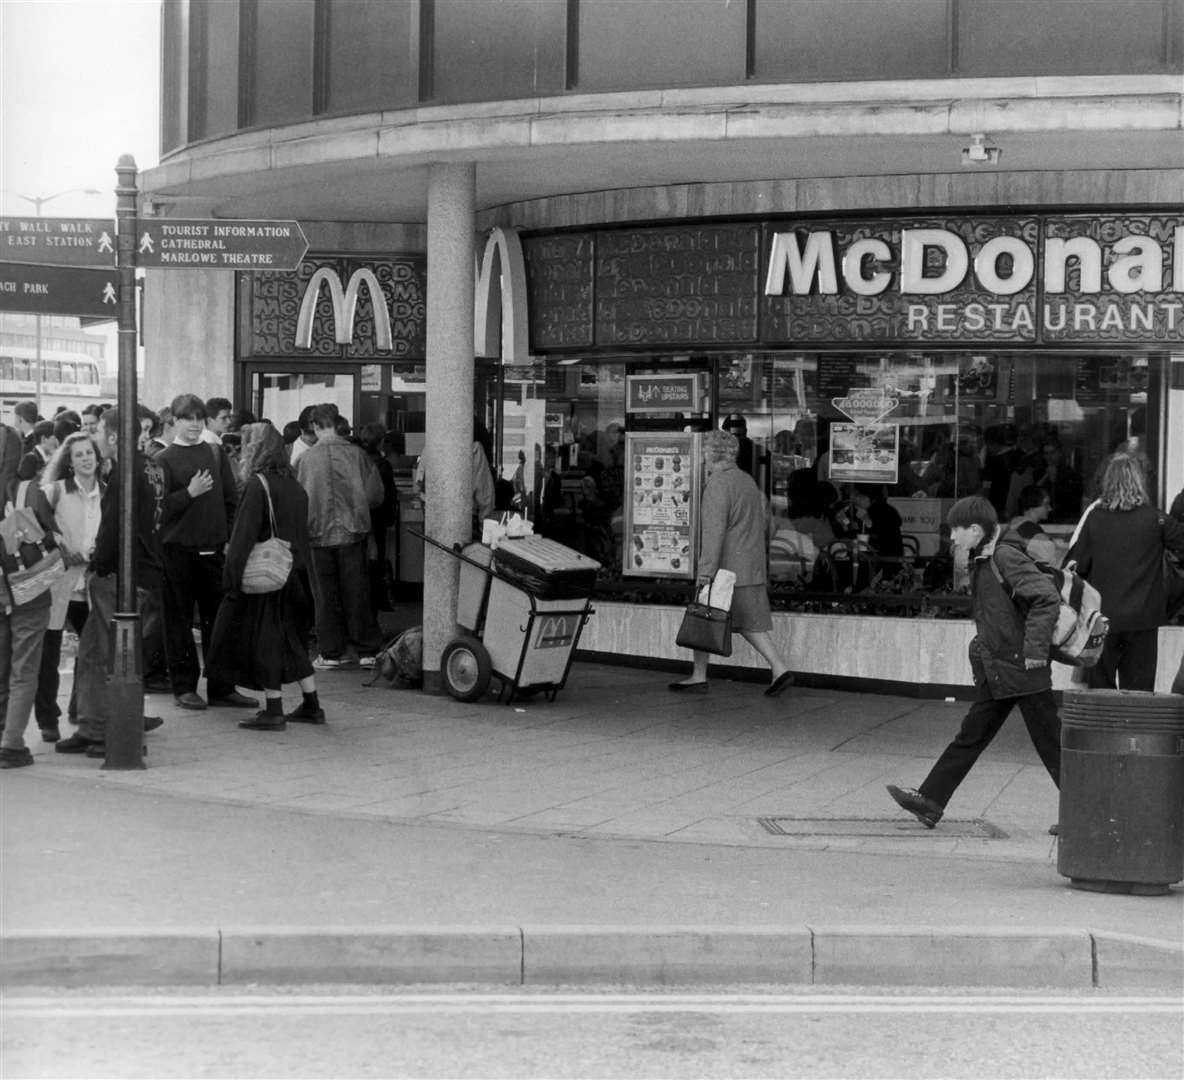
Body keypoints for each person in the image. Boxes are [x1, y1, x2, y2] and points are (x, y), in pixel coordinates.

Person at [886, 496, 1062, 828]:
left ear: (975, 530)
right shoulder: (983, 558)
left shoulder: (1004, 556)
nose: (952, 538)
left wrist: (1035, 652)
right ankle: (930, 801)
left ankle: (1089, 811)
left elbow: (1046, 598)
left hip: (1023, 668)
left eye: (956, 531)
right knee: (972, 736)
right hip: (1000, 669)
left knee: (1051, 744)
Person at [54, 404, 168, 757]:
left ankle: (108, 730)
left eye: (101, 431)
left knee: (105, 654)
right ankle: (91, 726)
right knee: (90, 651)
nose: (97, 438)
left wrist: (99, 564)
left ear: (115, 435)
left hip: (119, 576)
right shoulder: (127, 471)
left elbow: (118, 529)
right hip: (119, 573)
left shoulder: (127, 474)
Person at [205, 423, 322, 731]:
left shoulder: (259, 484)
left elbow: (243, 537)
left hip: (266, 578)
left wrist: (231, 578)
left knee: (266, 643)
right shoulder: (294, 484)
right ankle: (312, 704)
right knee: (292, 643)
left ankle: (274, 709)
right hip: (292, 574)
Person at [669, 429, 794, 697]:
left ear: (710, 454)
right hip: (749, 564)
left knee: (704, 616)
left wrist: (705, 572)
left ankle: (703, 675)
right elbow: (763, 524)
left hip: (725, 569)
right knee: (744, 622)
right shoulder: (746, 481)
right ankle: (776, 668)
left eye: (703, 451)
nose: (701, 457)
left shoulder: (717, 484)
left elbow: (714, 534)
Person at [157, 393, 258, 711]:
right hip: (176, 553)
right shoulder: (162, 460)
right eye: (188, 419)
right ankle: (184, 687)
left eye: (199, 419)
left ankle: (222, 687)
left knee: (221, 621)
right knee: (179, 623)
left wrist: (228, 538)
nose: (194, 425)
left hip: (213, 551)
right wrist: (188, 493)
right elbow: (157, 511)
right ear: (174, 421)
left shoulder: (214, 452)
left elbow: (232, 499)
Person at [1067, 453, 1184, 691]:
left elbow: (1077, 566)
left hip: (1101, 619)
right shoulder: (1156, 519)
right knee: (1138, 691)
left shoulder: (1095, 518)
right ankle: (1133, 729)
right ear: (1140, 482)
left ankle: (1103, 729)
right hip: (1144, 619)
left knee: (1100, 690)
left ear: (1109, 482)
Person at [295, 403, 385, 669]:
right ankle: (367, 649)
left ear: (314, 426)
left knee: (324, 596)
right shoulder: (357, 455)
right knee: (357, 592)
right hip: (353, 533)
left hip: (317, 535)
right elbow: (375, 495)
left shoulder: (305, 460)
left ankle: (332, 651)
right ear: (337, 423)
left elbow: (298, 499)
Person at [33, 432, 105, 743]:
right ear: (69, 461)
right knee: (49, 653)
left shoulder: (108, 491)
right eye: (79, 454)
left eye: (90, 453)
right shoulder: (56, 490)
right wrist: (56, 543)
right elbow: (35, 522)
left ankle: (82, 709)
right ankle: (48, 718)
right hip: (59, 581)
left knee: (92, 650)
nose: (86, 458)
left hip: (91, 582)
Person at [0, 474, 61, 767]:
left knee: (3, 669)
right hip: (28, 588)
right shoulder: (25, 487)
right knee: (24, 671)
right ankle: (11, 744)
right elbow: (50, 535)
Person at [1008, 484, 1059, 565]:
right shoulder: (1032, 531)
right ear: (1033, 505)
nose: (1050, 508)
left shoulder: (1014, 525)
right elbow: (1051, 562)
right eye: (1046, 504)